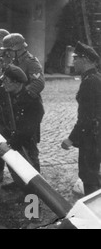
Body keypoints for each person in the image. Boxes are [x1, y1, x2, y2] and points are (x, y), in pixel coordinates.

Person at [0, 64, 44, 201]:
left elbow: (28, 130)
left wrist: (10, 144)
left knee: (29, 178)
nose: (3, 83)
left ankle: (33, 213)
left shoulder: (32, 100)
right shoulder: (2, 92)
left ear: (17, 83)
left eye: (6, 81)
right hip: (3, 137)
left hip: (23, 143)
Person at [61, 41, 101, 196]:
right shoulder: (94, 78)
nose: (73, 62)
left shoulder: (90, 82)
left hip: (92, 136)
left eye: (76, 58)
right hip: (96, 134)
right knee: (93, 173)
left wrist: (71, 139)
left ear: (85, 60)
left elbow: (86, 118)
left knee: (88, 175)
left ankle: (94, 214)